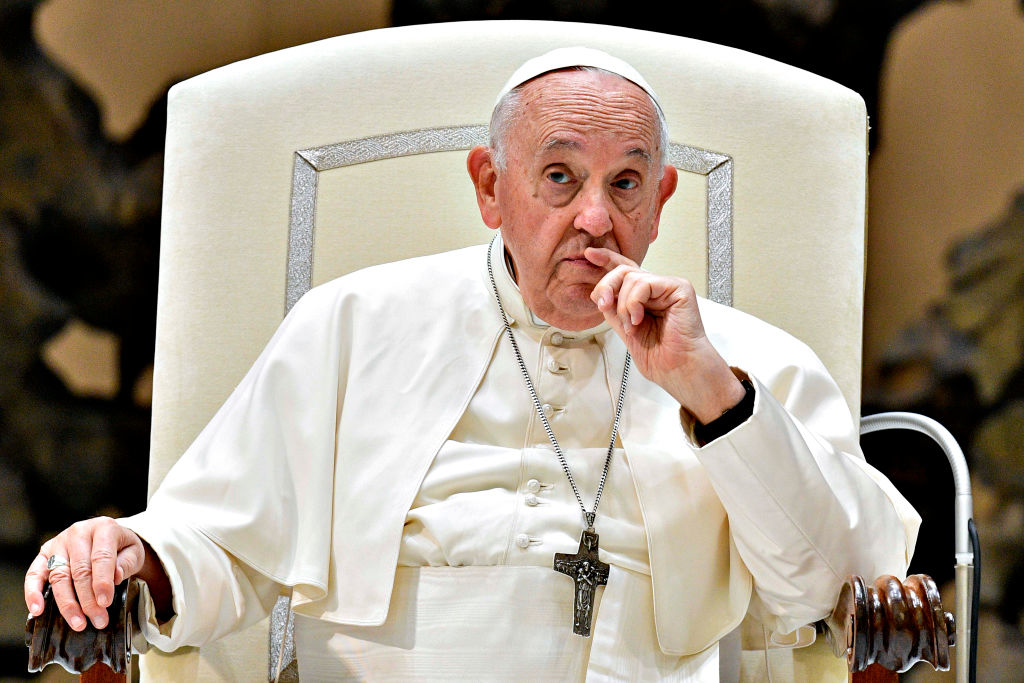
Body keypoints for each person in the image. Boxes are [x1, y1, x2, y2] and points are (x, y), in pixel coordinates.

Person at [25, 47, 919, 679]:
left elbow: (840, 584)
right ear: (491, 186)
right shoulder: (354, 321)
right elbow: (221, 536)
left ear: (661, 199)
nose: (597, 220)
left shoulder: (748, 361)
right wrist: (127, 551)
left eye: (625, 182)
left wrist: (712, 397)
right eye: (559, 177)